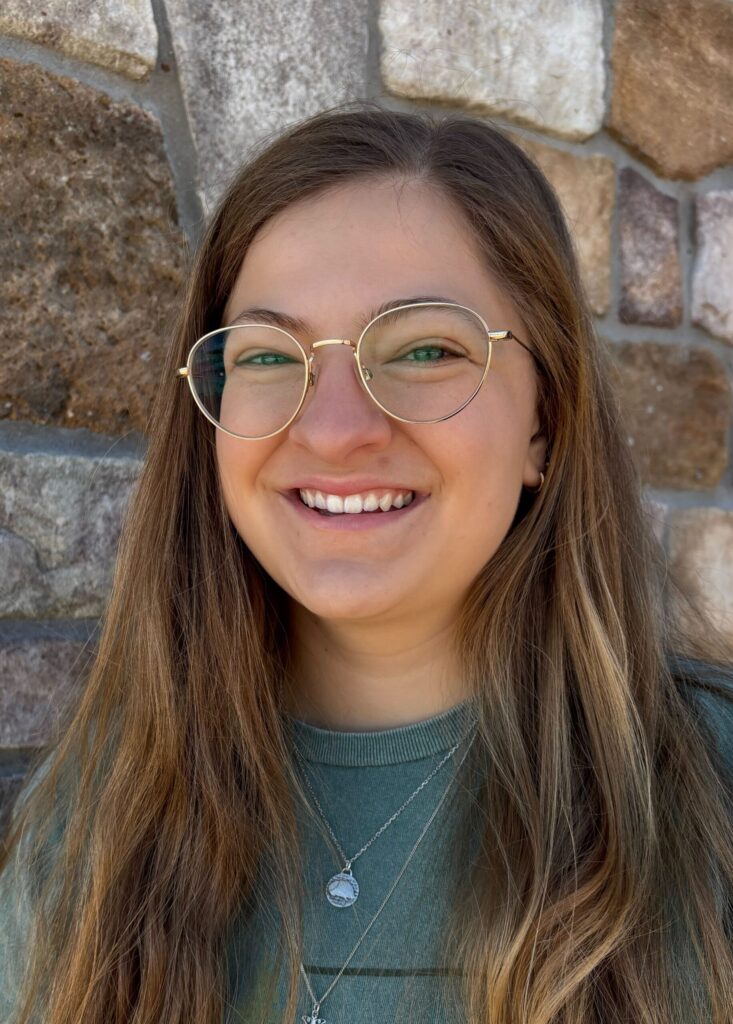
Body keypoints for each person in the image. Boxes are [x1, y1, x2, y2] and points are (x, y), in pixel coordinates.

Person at [1, 105, 731, 1024]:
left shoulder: (710, 803)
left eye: (425, 348)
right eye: (270, 355)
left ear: (543, 420)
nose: (338, 429)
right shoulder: (98, 826)